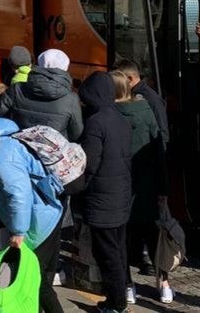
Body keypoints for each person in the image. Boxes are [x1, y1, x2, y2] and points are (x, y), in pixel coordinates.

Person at [0, 117, 65, 313]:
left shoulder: (1, 154)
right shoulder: (8, 141)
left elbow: (18, 193)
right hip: (45, 212)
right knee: (39, 275)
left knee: (35, 277)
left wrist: (19, 231)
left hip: (37, 220)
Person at [110, 70, 170, 306]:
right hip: (147, 184)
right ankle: (164, 283)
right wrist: (163, 186)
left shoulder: (108, 114)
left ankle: (127, 286)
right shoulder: (146, 111)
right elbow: (159, 149)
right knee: (154, 232)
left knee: (122, 237)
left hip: (120, 186)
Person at [80, 71, 134, 313]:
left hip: (102, 198)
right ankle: (119, 297)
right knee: (118, 250)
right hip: (120, 195)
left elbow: (90, 164)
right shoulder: (119, 118)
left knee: (107, 254)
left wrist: (78, 185)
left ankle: (115, 303)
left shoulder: (95, 122)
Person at [0, 48, 84, 141]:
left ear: (39, 63)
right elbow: (76, 132)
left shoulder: (17, 89)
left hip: (20, 146)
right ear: (65, 68)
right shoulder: (71, 98)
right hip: (53, 151)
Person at [113, 58, 169, 148]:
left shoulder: (151, 98)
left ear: (130, 79)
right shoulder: (131, 94)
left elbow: (162, 132)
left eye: (119, 81)